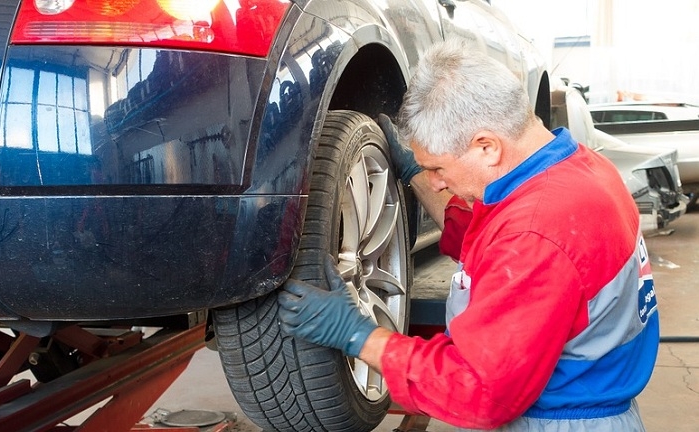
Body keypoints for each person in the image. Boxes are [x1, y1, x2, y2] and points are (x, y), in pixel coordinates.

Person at [277, 40, 659, 431]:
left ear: (486, 146)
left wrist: (359, 335)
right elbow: (491, 240)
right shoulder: (580, 168)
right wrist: (415, 175)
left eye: (437, 168)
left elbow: (479, 390)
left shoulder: (537, 232)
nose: (436, 183)